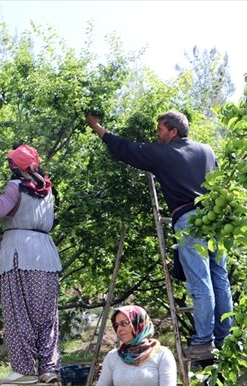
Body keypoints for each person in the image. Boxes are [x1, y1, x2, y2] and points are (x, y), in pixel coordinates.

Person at [85, 111, 234, 361]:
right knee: (221, 280)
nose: (157, 134)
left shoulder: (165, 153)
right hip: (216, 221)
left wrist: (97, 127)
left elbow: (126, 148)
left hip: (190, 220)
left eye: (160, 130)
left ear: (173, 132)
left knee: (201, 282)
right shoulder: (207, 151)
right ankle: (225, 337)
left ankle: (204, 341)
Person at [0, 144, 62, 385]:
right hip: (46, 256)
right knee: (46, 314)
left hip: (18, 252)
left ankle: (24, 368)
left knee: (19, 312)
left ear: (15, 166)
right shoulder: (47, 190)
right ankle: (49, 367)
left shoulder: (15, 187)